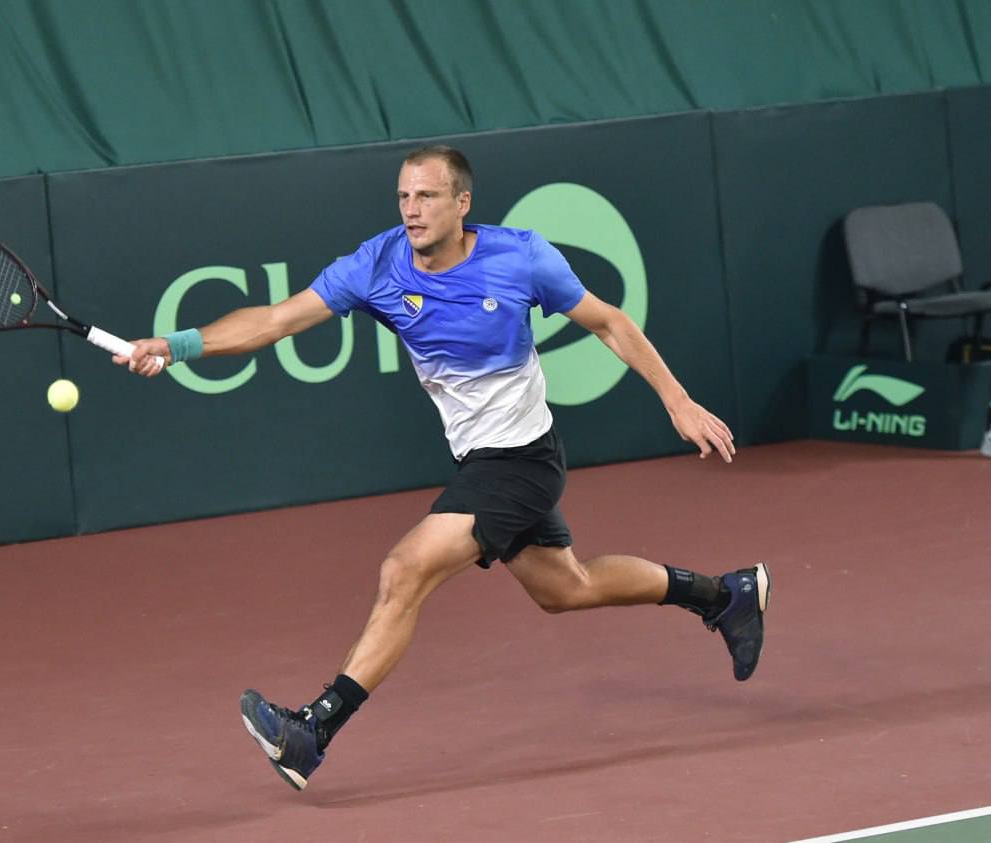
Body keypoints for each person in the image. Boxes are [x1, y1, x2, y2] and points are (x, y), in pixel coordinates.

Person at [114, 145, 771, 792]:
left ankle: (313, 730)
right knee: (565, 588)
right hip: (479, 457)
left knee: (405, 568)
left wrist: (677, 400)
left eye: (426, 196)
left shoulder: (521, 257)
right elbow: (274, 321)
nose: (411, 208)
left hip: (522, 461)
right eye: (403, 196)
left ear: (462, 203)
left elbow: (609, 322)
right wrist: (176, 345)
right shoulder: (377, 263)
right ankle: (723, 595)